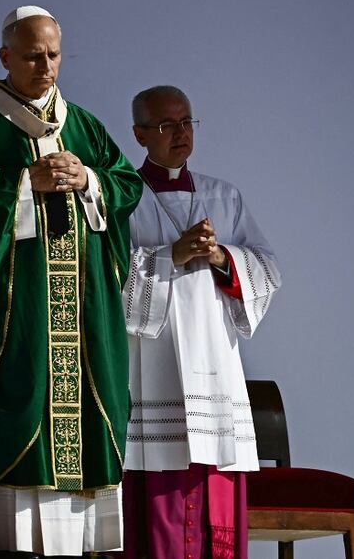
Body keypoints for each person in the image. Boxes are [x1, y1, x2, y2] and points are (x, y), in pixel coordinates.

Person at [0, 6, 142, 557]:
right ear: (5, 57)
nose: (44, 65)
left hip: (82, 310)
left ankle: (84, 546)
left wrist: (89, 178)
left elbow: (126, 184)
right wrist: (24, 181)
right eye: (31, 55)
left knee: (86, 414)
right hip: (18, 309)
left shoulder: (84, 124)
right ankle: (13, 547)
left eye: (52, 54)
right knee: (23, 399)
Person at [120, 86, 281, 559]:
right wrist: (172, 255)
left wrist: (222, 257)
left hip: (214, 359)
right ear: (139, 133)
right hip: (154, 364)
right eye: (167, 125)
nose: (181, 134)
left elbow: (268, 268)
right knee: (161, 489)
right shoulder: (123, 197)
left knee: (216, 487)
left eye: (187, 122)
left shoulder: (223, 196)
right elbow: (103, 277)